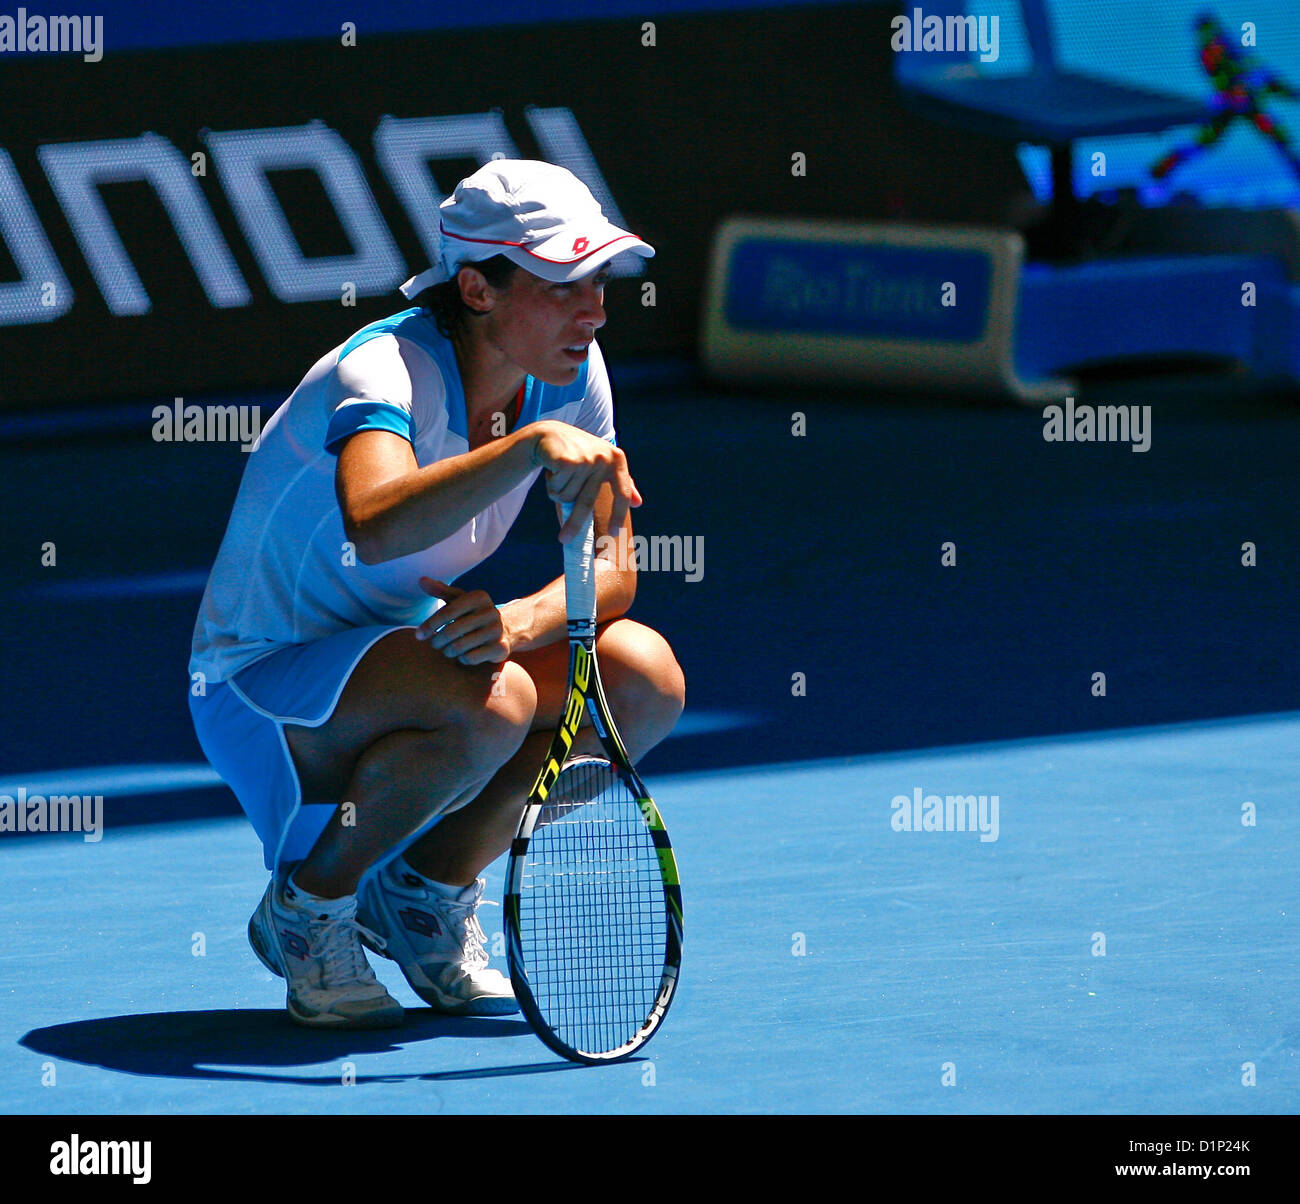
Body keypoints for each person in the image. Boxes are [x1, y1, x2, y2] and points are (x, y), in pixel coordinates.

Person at [187, 159, 686, 1029]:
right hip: (262, 683)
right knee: (496, 701)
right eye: (564, 283)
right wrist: (530, 446)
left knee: (641, 677)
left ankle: (422, 895)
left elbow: (611, 566)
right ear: (478, 290)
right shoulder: (378, 372)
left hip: (411, 656)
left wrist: (519, 618)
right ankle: (307, 908)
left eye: (597, 280)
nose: (595, 308)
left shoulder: (573, 366)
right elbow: (374, 523)